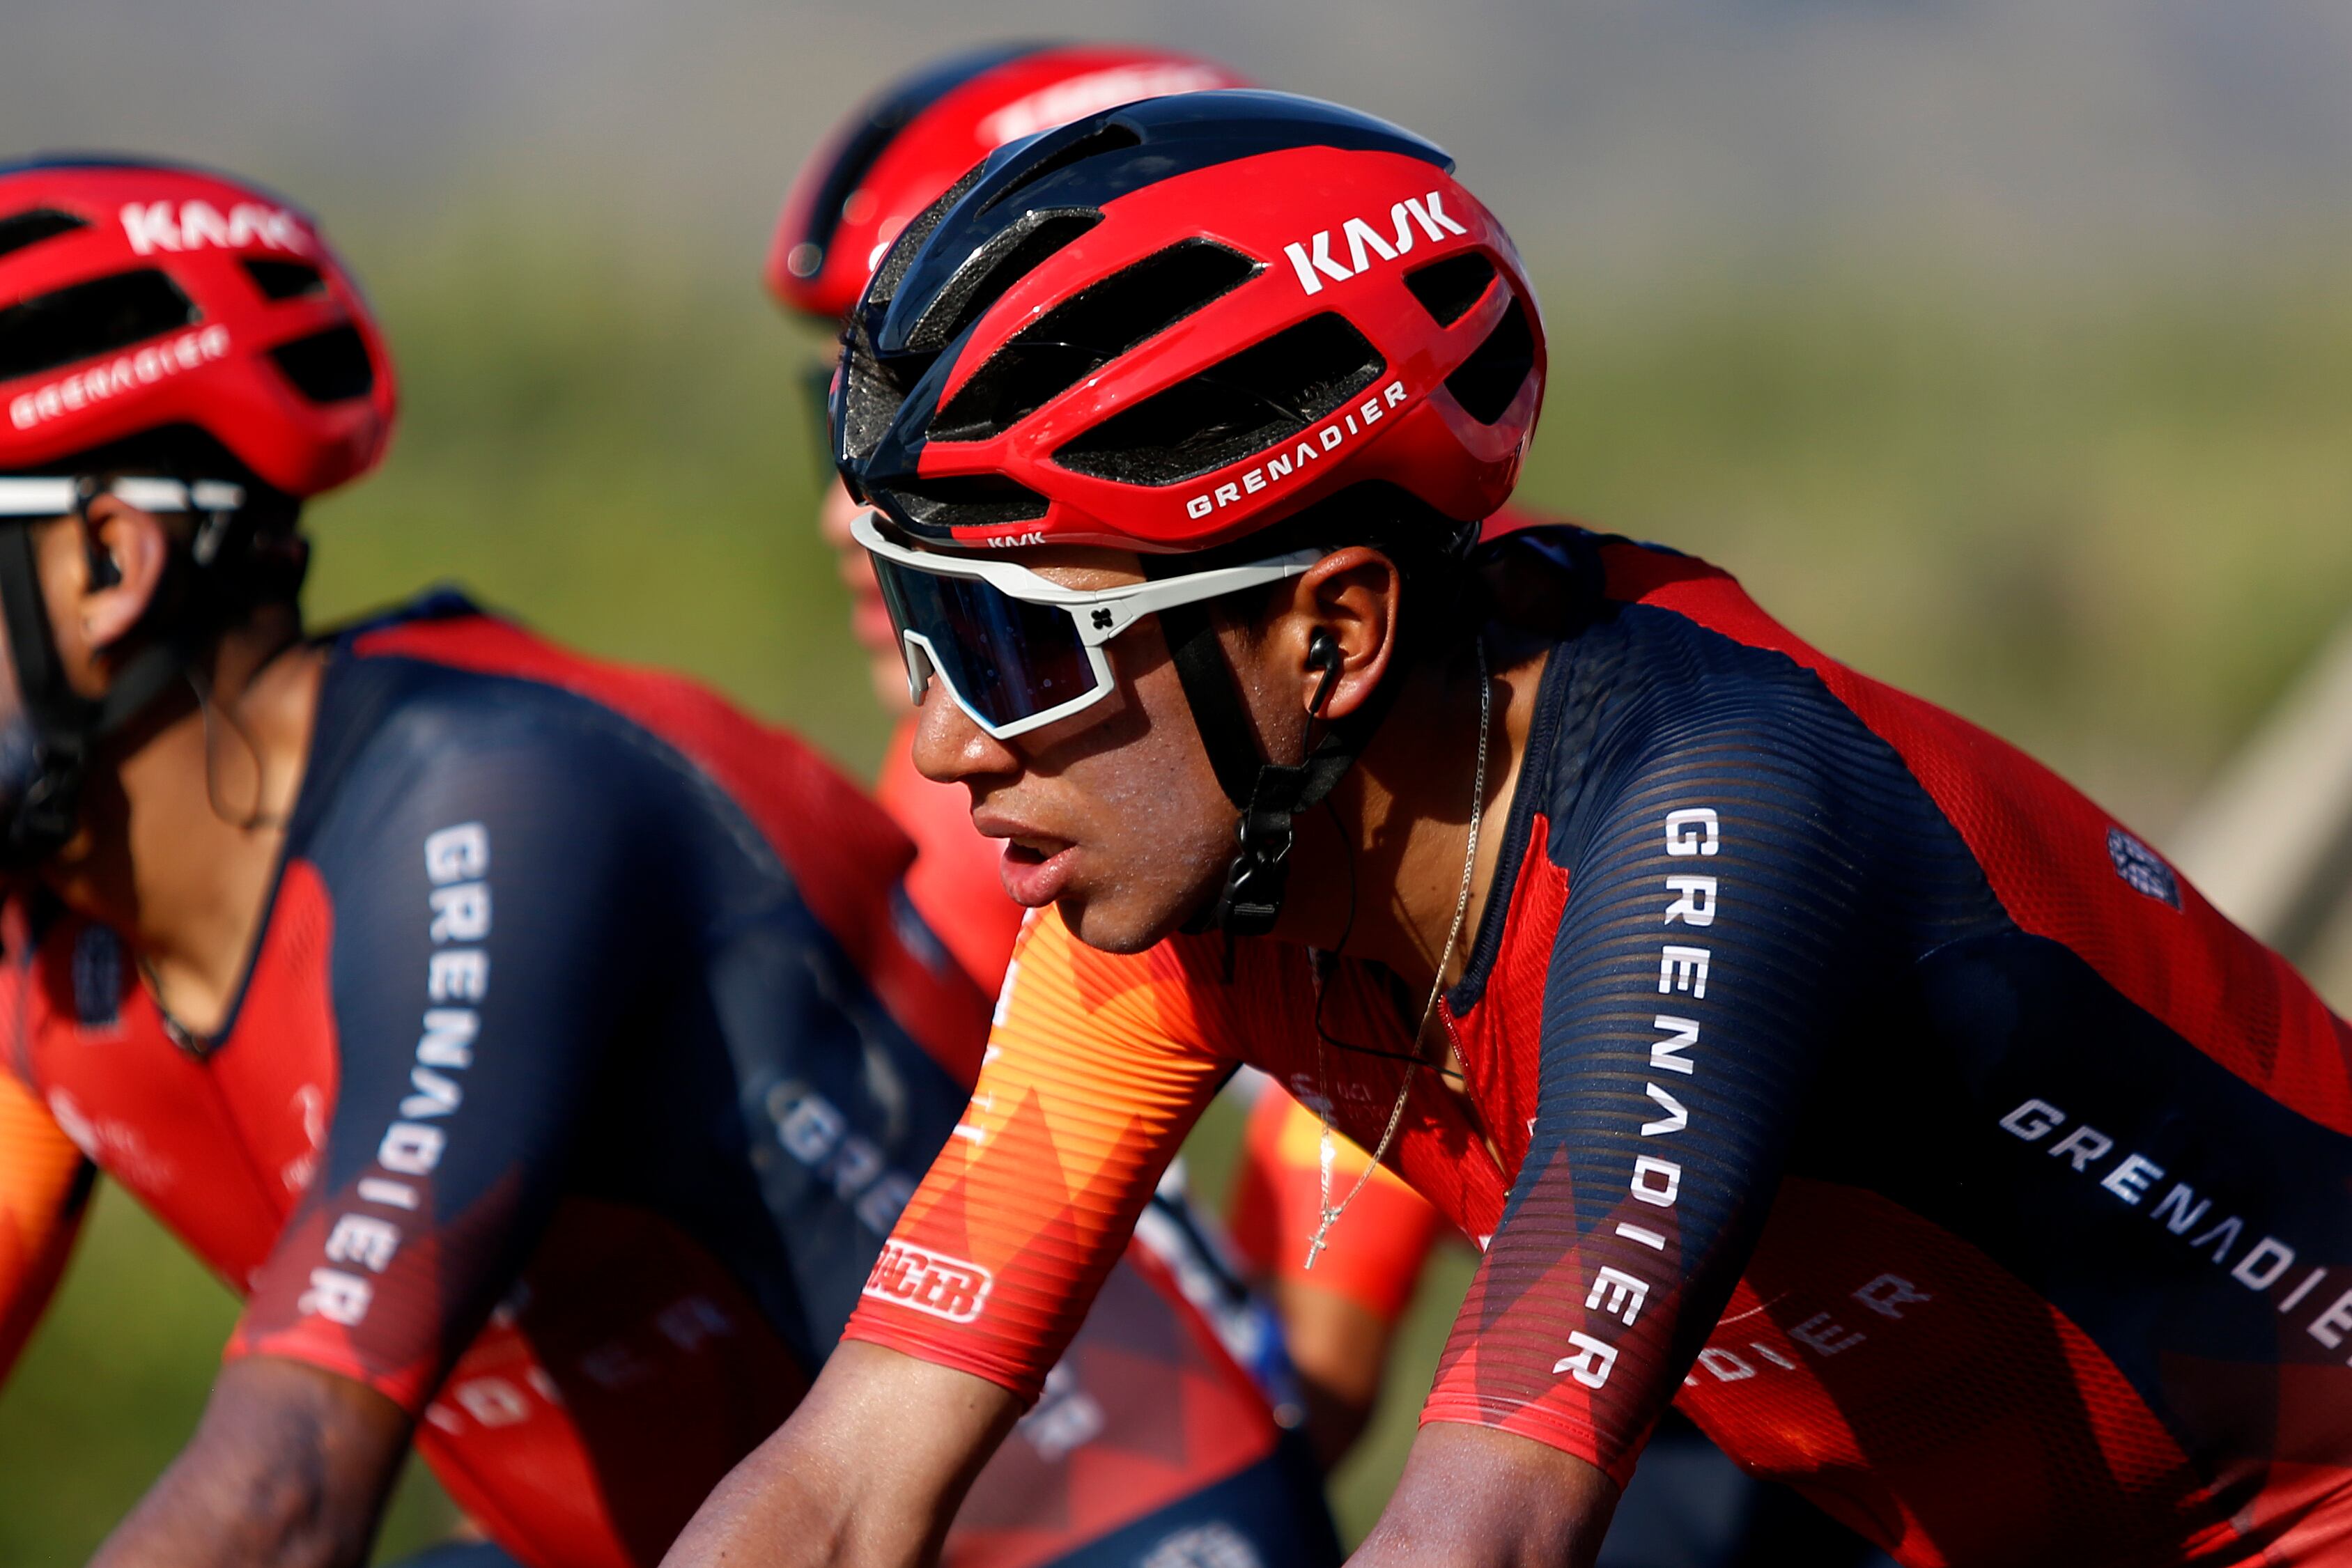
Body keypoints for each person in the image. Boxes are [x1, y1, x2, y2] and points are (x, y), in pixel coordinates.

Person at [665, 89, 2352, 1568]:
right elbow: (845, 1481)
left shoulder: (1708, 815)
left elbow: (1481, 1532)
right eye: (928, 631)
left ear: (1331, 635)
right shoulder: (1184, 889)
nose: (945, 741)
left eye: (1023, 648)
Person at [0, 155, 1339, 1568]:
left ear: (107, 560)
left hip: (1087, 1533)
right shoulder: (51, 939)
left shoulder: (488, 805)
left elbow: (280, 1503)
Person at [767, 41, 1446, 1466]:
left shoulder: (1354, 721)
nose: (845, 519)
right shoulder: (984, 763)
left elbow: (1301, 1392)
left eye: (956, 430)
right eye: (836, 428)